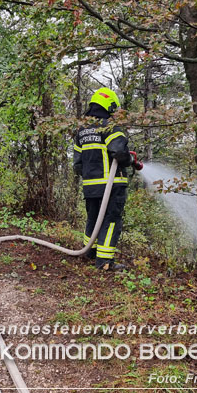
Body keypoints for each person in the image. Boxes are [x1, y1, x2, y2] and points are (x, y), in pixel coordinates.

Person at [73, 87, 141, 271]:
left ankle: (90, 252)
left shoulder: (81, 131)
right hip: (112, 186)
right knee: (111, 221)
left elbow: (77, 164)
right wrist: (130, 160)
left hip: (90, 186)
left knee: (93, 218)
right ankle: (104, 262)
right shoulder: (110, 127)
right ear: (109, 106)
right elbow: (119, 152)